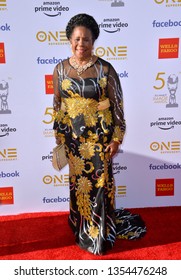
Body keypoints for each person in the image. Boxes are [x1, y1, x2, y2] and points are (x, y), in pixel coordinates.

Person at [53, 13, 146, 255]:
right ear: (69, 40)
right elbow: (57, 105)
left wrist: (117, 138)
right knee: (78, 185)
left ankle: (100, 232)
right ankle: (80, 225)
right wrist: (59, 136)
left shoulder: (105, 69)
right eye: (76, 39)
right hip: (73, 140)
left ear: (94, 41)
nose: (80, 44)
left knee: (100, 185)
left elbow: (117, 106)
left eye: (86, 40)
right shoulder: (60, 69)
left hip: (99, 140)